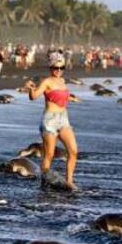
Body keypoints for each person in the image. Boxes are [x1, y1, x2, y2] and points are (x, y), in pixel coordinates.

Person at [25, 53, 78, 191]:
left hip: (63, 119)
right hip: (50, 120)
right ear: (51, 67)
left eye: (62, 68)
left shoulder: (62, 81)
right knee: (49, 155)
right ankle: (44, 182)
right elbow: (34, 97)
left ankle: (69, 182)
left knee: (73, 151)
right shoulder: (46, 82)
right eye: (56, 68)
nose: (59, 71)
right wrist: (30, 89)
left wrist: (71, 99)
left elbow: (61, 97)